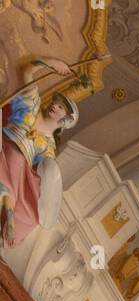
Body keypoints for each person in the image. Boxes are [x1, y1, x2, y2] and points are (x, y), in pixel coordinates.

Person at [0, 59, 79, 247]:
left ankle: (8, 207)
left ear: (66, 121)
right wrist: (52, 64)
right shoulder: (32, 104)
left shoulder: (48, 148)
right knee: (16, 158)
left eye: (61, 107)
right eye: (56, 102)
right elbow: (27, 70)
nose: (55, 105)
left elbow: (40, 178)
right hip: (3, 141)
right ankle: (8, 208)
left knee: (19, 161)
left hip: (12, 166)